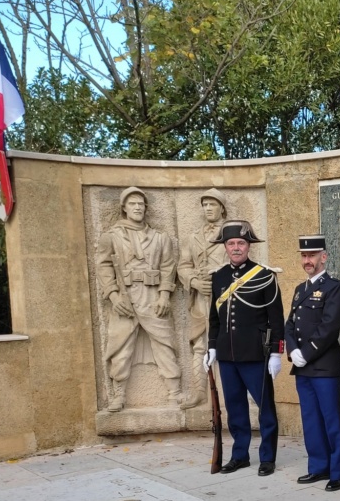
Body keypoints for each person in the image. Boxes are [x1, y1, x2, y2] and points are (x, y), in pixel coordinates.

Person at [204, 221, 285, 476]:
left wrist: (275, 352)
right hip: (228, 356)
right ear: (225, 247)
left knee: (266, 408)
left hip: (255, 354)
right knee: (235, 407)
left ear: (248, 246)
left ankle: (267, 457)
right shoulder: (218, 277)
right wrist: (212, 348)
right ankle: (240, 455)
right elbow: (214, 318)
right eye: (231, 244)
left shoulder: (263, 275)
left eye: (241, 243)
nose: (236, 248)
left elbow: (276, 318)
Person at [97, 186, 184, 411]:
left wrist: (165, 295)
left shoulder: (159, 238)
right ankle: (119, 394)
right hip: (124, 298)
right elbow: (104, 266)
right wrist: (114, 296)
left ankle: (175, 391)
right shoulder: (111, 236)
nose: (137, 207)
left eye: (140, 204)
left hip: (152, 295)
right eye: (132, 204)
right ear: (124, 208)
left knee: (165, 342)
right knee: (120, 345)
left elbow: (168, 267)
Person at [286, 235, 340, 491]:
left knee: (331, 420)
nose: (307, 260)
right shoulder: (300, 290)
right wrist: (292, 351)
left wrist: (306, 352)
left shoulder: (335, 287)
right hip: (303, 367)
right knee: (311, 420)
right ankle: (318, 467)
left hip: (324, 366)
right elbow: (289, 324)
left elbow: (329, 327)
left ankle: (339, 472)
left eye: (312, 255)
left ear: (324, 257)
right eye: (304, 256)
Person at [178, 188, 229, 407]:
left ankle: (228, 393)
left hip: (226, 297)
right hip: (201, 297)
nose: (208, 208)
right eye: (205, 205)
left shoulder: (232, 233)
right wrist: (195, 282)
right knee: (200, 344)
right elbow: (183, 265)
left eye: (213, 204)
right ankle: (199, 390)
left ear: (222, 208)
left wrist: (218, 280)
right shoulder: (193, 237)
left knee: (228, 341)